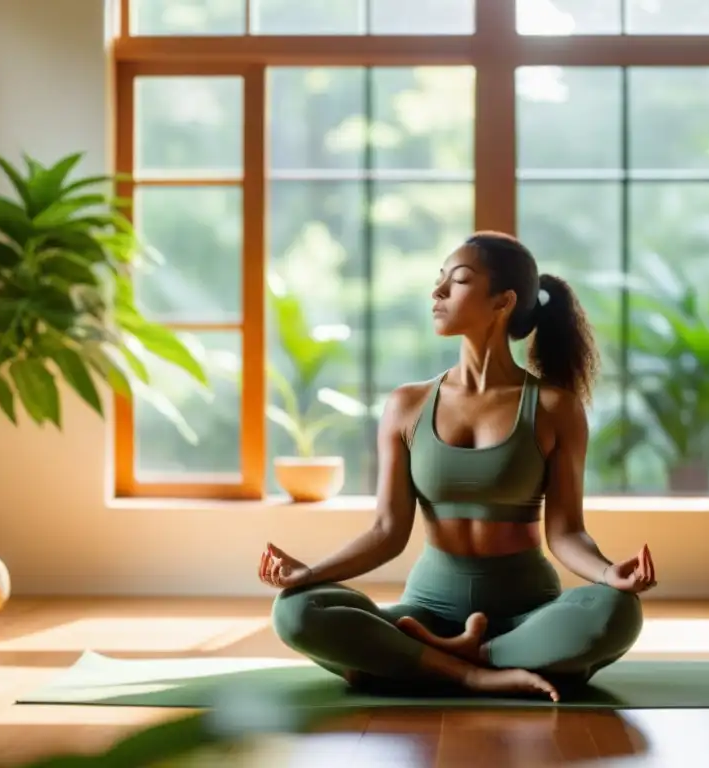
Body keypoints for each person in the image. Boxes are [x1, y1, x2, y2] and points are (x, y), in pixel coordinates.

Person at [259, 231, 656, 703]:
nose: (439, 292)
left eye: (459, 280)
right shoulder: (407, 405)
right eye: (439, 280)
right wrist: (310, 575)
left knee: (616, 611)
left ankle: (423, 662)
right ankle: (478, 673)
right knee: (297, 611)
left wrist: (610, 575)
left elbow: (566, 532)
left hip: (526, 615)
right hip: (424, 614)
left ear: (503, 302)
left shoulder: (555, 407)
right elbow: (387, 530)